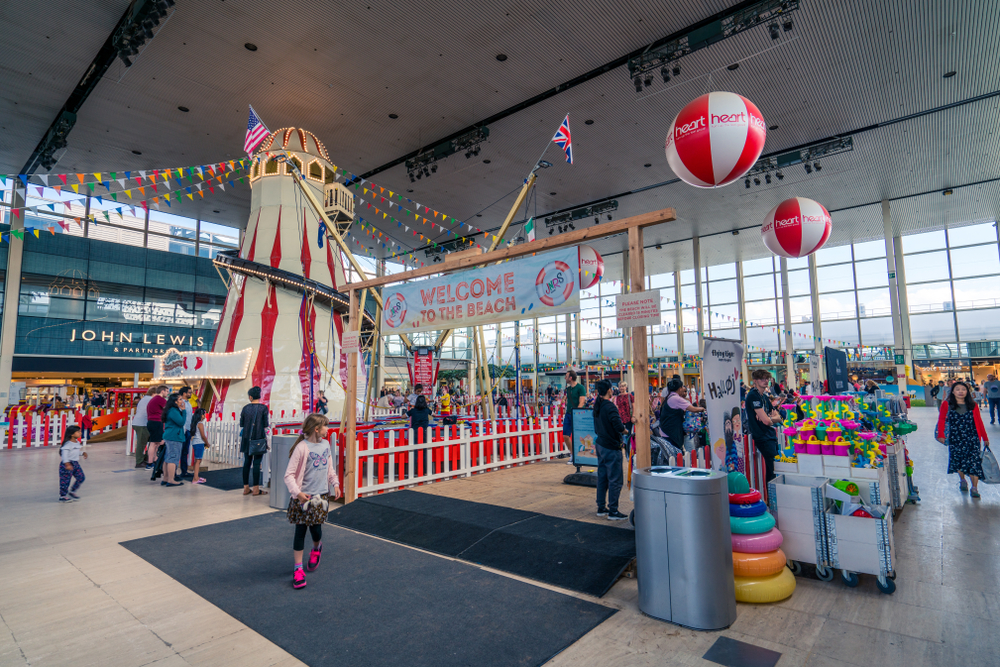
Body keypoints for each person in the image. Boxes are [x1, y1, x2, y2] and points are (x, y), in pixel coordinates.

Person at [284, 413, 342, 589]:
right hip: (304, 498)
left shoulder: (325, 445)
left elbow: (330, 468)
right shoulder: (301, 448)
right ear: (317, 429)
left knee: (316, 530)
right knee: (300, 532)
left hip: (321, 496)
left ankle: (317, 548)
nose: (328, 429)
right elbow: (289, 476)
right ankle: (298, 568)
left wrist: (335, 483)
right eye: (325, 426)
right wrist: (298, 493)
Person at [936, 381, 988, 498]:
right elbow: (942, 420)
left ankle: (974, 488)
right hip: (955, 438)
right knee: (959, 460)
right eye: (958, 389)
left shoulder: (973, 405)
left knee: (974, 462)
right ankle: (963, 480)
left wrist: (985, 437)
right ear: (953, 391)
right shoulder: (946, 404)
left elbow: (979, 422)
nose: (961, 391)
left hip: (972, 437)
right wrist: (941, 435)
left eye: (963, 389)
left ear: (967, 391)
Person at [592, 380, 628, 520]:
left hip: (600, 444)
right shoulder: (610, 406)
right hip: (611, 446)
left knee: (602, 477)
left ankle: (601, 507)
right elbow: (618, 426)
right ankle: (613, 511)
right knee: (615, 479)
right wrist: (625, 431)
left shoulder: (598, 406)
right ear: (609, 390)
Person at [745, 369, 782, 482]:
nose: (765, 381)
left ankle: (773, 496)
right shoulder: (752, 396)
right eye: (762, 379)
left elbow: (779, 417)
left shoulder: (765, 397)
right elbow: (766, 421)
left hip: (770, 435)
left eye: (767, 378)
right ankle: (771, 497)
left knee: (775, 468)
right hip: (762, 436)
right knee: (773, 469)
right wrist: (769, 419)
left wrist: (769, 418)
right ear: (755, 381)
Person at [658, 378, 705, 450]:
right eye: (682, 387)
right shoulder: (676, 398)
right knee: (674, 454)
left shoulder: (669, 397)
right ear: (679, 389)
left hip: (665, 430)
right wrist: (702, 409)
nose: (683, 388)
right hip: (670, 432)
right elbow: (693, 409)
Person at [240, 386, 270, 496]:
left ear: (250, 397)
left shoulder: (245, 408)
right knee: (257, 464)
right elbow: (265, 424)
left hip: (247, 439)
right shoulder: (263, 408)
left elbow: (242, 424)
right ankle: (256, 489)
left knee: (246, 463)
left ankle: (246, 488)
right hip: (258, 439)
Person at [161, 392, 186, 487]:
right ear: (175, 401)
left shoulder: (169, 410)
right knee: (173, 458)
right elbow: (181, 422)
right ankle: (171, 479)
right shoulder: (173, 411)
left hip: (170, 436)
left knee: (168, 458)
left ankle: (166, 478)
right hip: (174, 436)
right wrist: (184, 411)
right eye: (180, 399)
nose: (182, 401)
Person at [58, 425, 87, 502]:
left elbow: (75, 452)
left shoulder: (77, 442)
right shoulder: (68, 444)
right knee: (65, 480)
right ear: (72, 434)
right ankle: (63, 496)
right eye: (78, 432)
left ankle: (72, 491)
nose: (80, 433)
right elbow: (64, 455)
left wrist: (82, 453)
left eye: (80, 431)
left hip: (75, 463)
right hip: (67, 464)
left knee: (81, 477)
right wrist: (67, 464)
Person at [145, 385, 169, 471]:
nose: (167, 393)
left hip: (151, 422)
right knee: (154, 443)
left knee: (155, 443)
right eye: (166, 391)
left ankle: (154, 461)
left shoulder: (154, 399)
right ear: (162, 391)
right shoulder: (160, 399)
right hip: (156, 422)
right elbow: (168, 409)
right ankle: (150, 463)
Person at [132, 387, 155, 468]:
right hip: (142, 424)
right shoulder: (150, 399)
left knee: (149, 441)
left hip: (140, 423)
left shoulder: (144, 398)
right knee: (141, 443)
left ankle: (145, 457)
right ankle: (139, 461)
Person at [563, 370, 587, 451]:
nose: (565, 378)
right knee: (565, 436)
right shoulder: (568, 389)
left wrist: (576, 413)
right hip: (568, 413)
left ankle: (580, 453)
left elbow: (582, 401)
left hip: (578, 414)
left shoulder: (580, 388)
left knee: (579, 436)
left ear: (570, 378)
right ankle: (572, 454)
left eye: (566, 376)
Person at [177, 386, 194, 480]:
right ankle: (176, 472)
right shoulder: (182, 403)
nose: (190, 394)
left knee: (185, 451)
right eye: (189, 392)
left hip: (188, 430)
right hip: (183, 430)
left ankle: (184, 471)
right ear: (184, 393)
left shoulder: (188, 403)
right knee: (180, 451)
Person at [189, 407, 209, 484]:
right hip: (199, 442)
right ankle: (195, 478)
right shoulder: (200, 424)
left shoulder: (195, 423)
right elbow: (203, 435)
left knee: (197, 460)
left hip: (195, 442)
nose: (205, 416)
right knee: (198, 461)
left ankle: (196, 476)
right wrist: (207, 443)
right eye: (204, 414)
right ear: (201, 415)